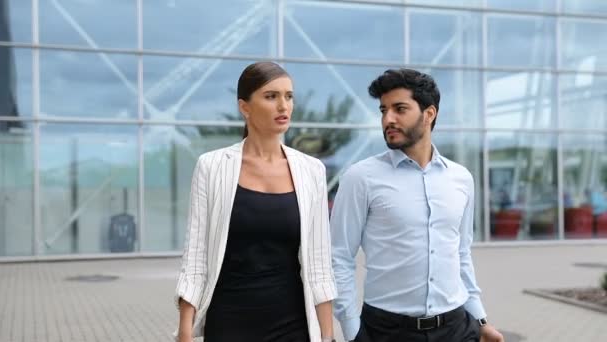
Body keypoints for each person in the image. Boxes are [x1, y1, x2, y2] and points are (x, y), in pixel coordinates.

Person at [330, 68, 504, 342]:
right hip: (387, 331)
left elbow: (460, 253)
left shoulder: (461, 178)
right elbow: (339, 257)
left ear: (429, 114)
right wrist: (353, 332)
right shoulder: (360, 177)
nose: (388, 119)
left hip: (457, 327)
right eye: (383, 110)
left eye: (400, 109)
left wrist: (480, 319)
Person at [174, 62, 337, 342]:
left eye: (289, 96)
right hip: (228, 321)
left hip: (293, 324)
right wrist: (185, 332)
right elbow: (196, 257)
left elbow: (320, 265)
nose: (283, 106)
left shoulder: (312, 171)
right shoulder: (212, 167)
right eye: (271, 96)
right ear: (244, 107)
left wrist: (328, 336)